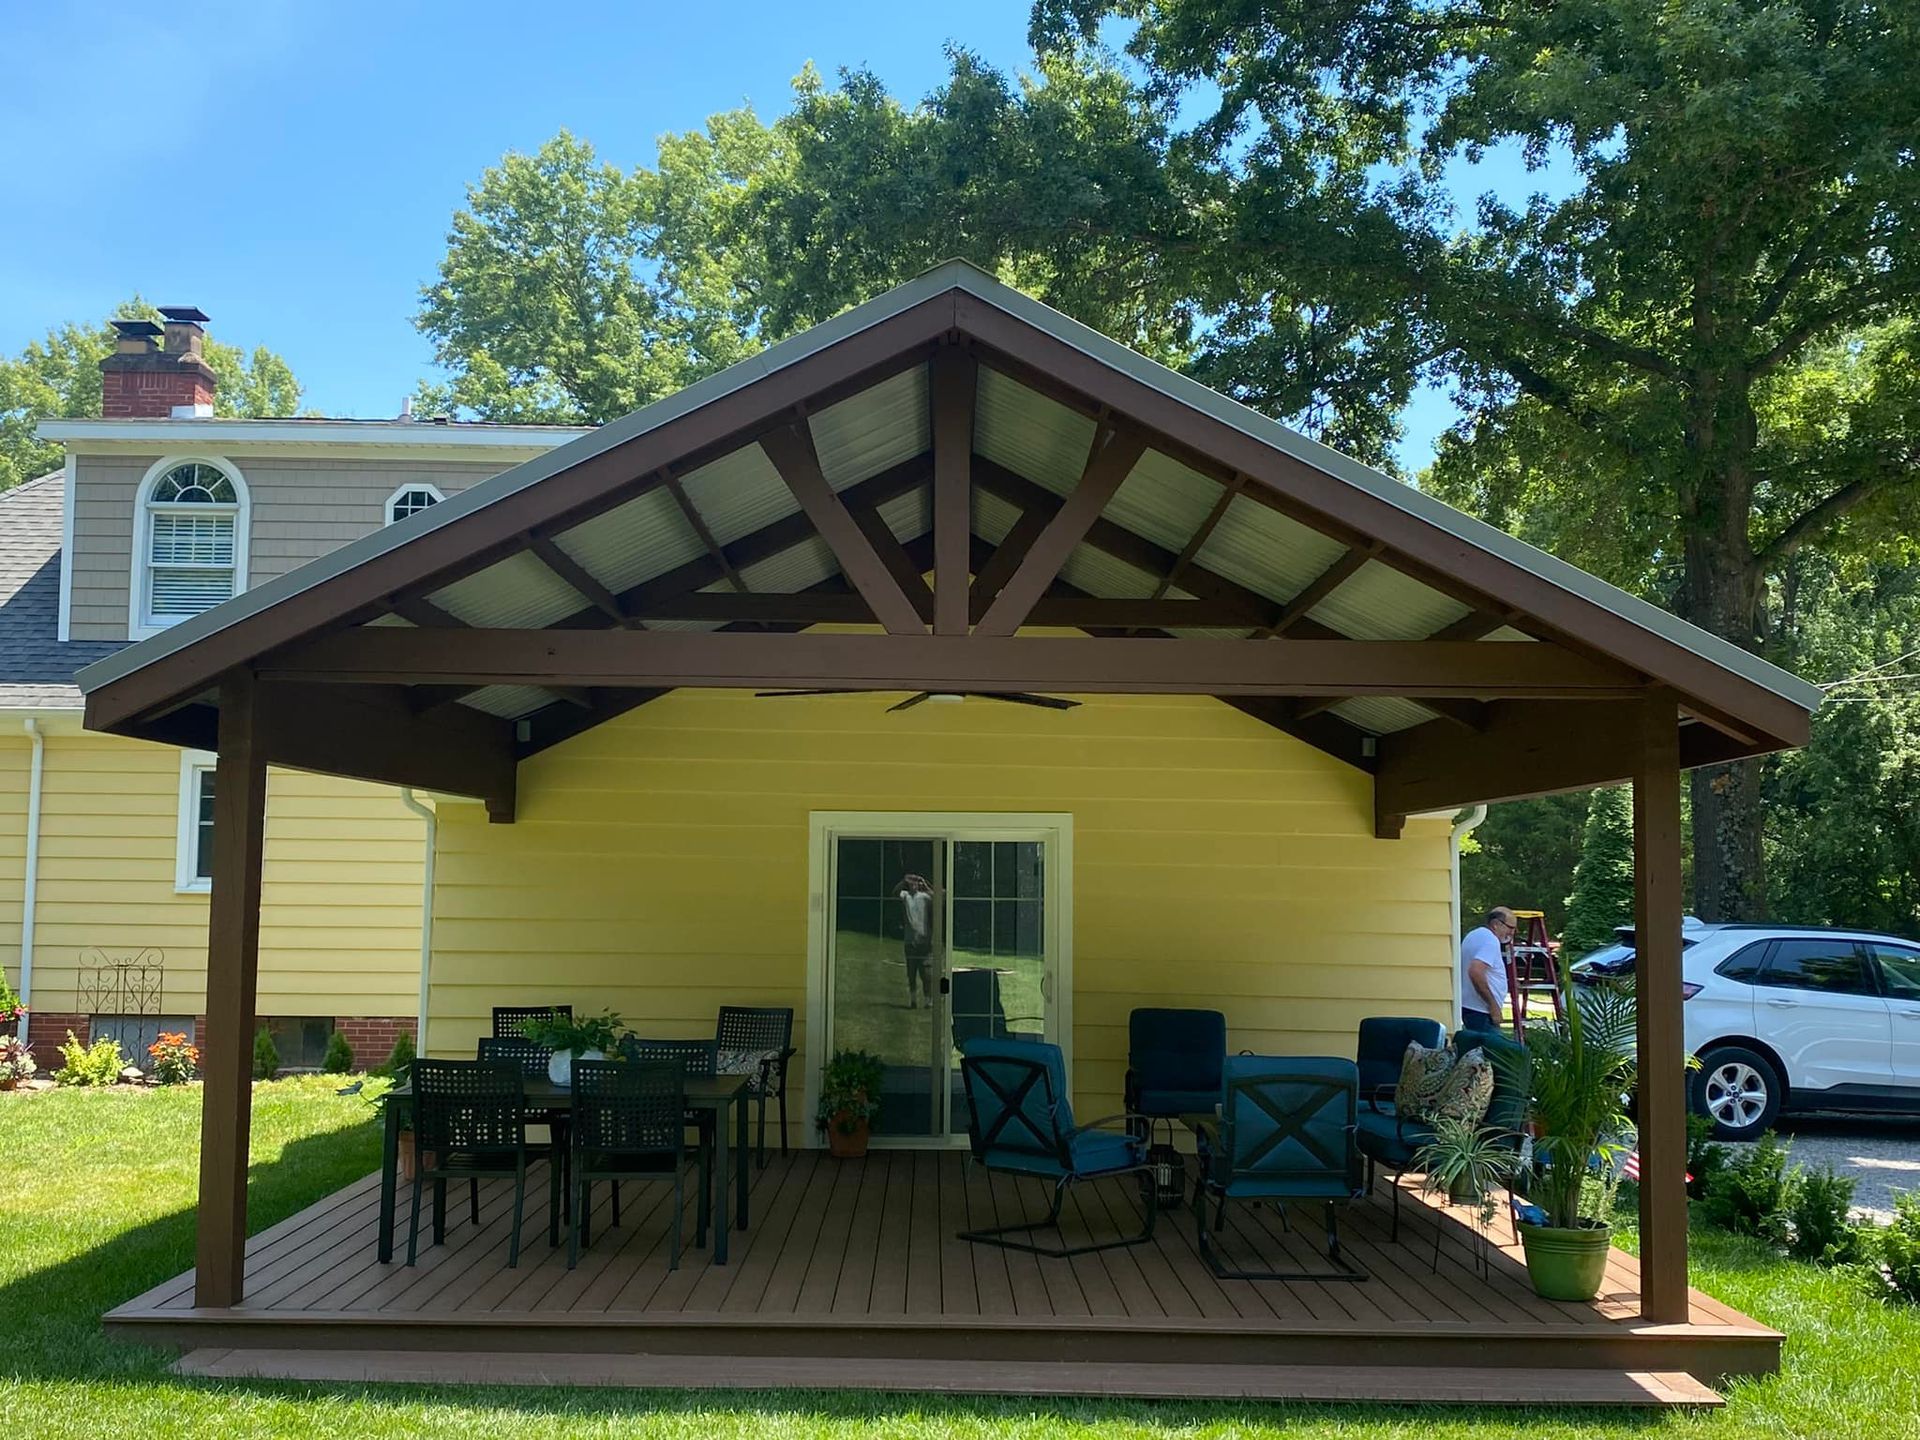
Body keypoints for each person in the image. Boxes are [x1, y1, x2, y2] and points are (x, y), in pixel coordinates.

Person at [1459, 906, 1516, 1032]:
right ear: (1496, 924)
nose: (1512, 933)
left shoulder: (1473, 935)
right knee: (1494, 1051)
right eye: (1510, 927)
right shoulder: (1490, 941)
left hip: (1469, 1007)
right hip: (1483, 1012)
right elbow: (1475, 971)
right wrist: (1493, 1006)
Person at [897, 873, 935, 1009]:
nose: (914, 884)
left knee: (926, 974)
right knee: (911, 973)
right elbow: (894, 893)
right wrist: (903, 881)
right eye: (912, 882)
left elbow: (938, 896)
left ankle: (928, 1000)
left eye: (916, 883)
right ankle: (913, 1000)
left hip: (924, 941)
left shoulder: (924, 897)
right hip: (910, 941)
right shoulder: (905, 895)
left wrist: (925, 884)